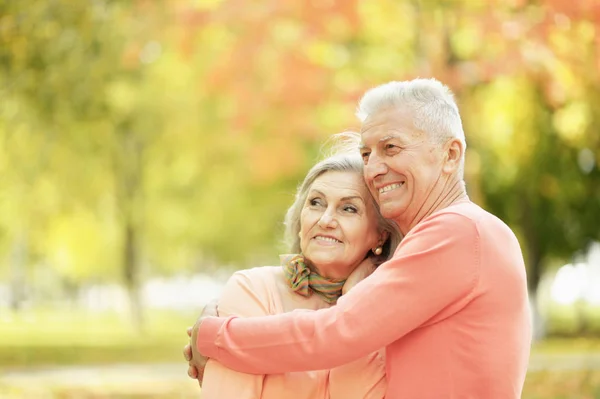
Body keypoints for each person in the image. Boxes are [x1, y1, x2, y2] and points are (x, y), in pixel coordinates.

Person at [184, 78, 532, 399]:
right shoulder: (458, 236)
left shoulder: (458, 231)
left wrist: (214, 336)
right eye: (367, 154)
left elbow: (337, 333)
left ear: (450, 155)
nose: (374, 168)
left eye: (391, 148)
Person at [198, 139, 401, 398]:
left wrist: (354, 300)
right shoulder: (253, 290)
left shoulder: (389, 314)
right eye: (316, 203)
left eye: (348, 209)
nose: (325, 219)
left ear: (380, 236)